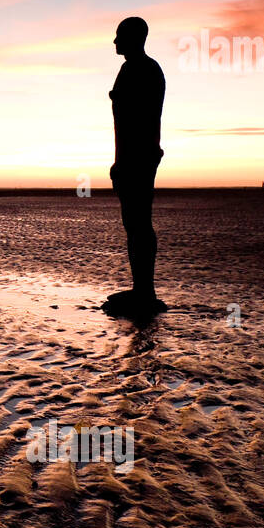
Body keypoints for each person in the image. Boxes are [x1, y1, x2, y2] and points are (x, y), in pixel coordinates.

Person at [104, 17, 166, 318]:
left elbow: (134, 123)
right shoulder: (132, 68)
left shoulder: (144, 70)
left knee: (139, 221)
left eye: (119, 37)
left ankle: (145, 290)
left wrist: (123, 162)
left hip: (138, 158)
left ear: (135, 38)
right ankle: (141, 287)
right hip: (133, 157)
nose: (115, 42)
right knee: (134, 223)